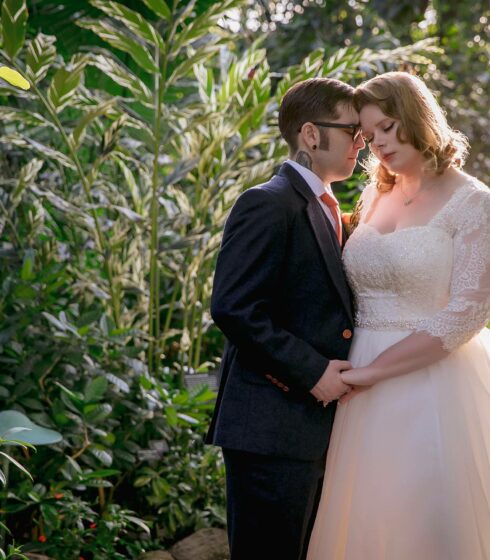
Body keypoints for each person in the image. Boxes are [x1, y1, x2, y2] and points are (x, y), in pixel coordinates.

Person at [307, 71, 490, 560]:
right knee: (364, 522)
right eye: (369, 135)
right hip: (356, 388)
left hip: (432, 385)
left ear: (418, 118)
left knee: (425, 519)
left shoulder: (474, 203)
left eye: (389, 126)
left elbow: (465, 315)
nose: (379, 143)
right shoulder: (373, 196)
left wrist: (371, 373)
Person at [206, 77, 365, 560]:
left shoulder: (330, 208)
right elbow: (233, 307)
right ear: (312, 135)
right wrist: (312, 371)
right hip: (270, 428)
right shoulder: (267, 203)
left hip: (314, 431)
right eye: (353, 130)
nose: (363, 142)